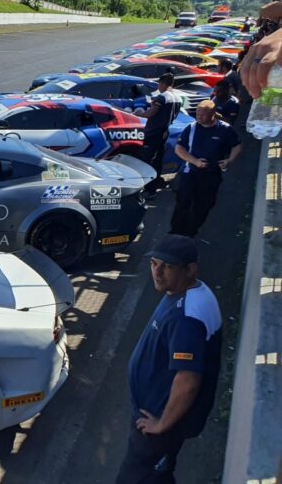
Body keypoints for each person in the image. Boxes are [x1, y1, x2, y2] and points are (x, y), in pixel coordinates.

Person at [116, 235, 223, 484]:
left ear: (190, 270)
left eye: (167, 267)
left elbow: (188, 381)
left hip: (159, 421)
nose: (157, 272)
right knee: (157, 474)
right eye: (154, 264)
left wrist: (162, 424)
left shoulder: (187, 317)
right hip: (158, 413)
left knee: (138, 477)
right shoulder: (189, 292)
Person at [170, 101, 242, 237]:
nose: (199, 117)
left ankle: (191, 231)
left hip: (211, 175)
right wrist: (195, 161)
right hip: (190, 173)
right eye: (198, 114)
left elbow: (237, 145)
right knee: (183, 202)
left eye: (203, 115)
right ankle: (175, 232)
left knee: (204, 204)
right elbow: (179, 148)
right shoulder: (191, 128)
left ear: (213, 115)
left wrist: (229, 160)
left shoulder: (225, 129)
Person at [136, 73, 183, 195]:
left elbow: (151, 113)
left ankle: (148, 190)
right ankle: (152, 188)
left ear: (162, 83)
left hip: (153, 133)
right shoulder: (177, 98)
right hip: (164, 133)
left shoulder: (162, 97)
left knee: (147, 162)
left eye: (159, 84)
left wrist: (139, 113)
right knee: (157, 161)